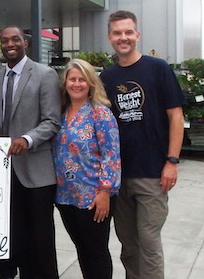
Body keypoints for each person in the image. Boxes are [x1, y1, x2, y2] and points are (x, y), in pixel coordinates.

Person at [100, 10, 185, 279]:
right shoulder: (107, 78)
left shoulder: (157, 68)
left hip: (152, 174)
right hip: (119, 176)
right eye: (117, 33)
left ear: (137, 35)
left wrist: (171, 161)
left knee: (148, 243)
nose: (123, 37)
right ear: (109, 38)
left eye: (128, 32)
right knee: (128, 243)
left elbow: (176, 116)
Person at [0, 26, 61, 279]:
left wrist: (28, 139)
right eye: (5, 40)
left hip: (36, 172)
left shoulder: (45, 74)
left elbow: (52, 121)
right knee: (15, 235)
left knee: (40, 240)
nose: (10, 44)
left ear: (25, 43)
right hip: (7, 174)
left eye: (15, 39)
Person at [53, 59, 121, 279]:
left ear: (91, 83)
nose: (76, 84)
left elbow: (111, 155)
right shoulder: (60, 113)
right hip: (65, 196)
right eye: (72, 79)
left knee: (96, 251)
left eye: (82, 79)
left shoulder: (100, 113)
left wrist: (105, 192)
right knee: (81, 249)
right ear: (65, 83)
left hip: (93, 196)